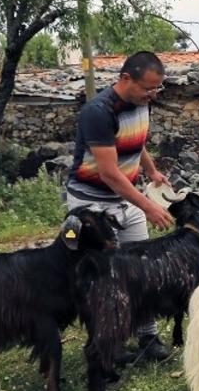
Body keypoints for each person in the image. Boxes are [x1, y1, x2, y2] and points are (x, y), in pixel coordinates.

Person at [65, 50, 175, 364]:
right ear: (125, 79)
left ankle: (147, 335)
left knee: (142, 268)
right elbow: (109, 173)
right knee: (104, 276)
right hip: (92, 205)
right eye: (148, 88)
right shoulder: (97, 112)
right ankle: (106, 346)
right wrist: (149, 207)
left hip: (125, 200)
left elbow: (135, 142)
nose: (152, 95)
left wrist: (151, 170)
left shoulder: (142, 104)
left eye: (157, 89)